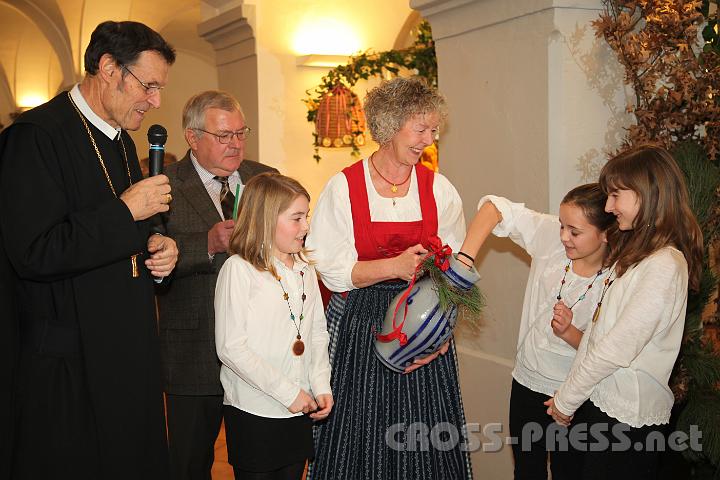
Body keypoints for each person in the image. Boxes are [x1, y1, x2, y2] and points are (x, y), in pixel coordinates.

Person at [0, 20, 178, 479]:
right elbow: (34, 252)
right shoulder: (36, 135)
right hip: (69, 366)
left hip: (126, 353)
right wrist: (125, 213)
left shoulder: (120, 139)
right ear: (108, 68)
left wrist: (156, 250)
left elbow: (123, 233)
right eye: (149, 86)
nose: (155, 101)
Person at [306, 77, 471, 479]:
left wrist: (441, 331)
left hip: (423, 325)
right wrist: (393, 267)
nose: (429, 140)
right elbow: (331, 268)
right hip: (362, 327)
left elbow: (454, 268)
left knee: (425, 438)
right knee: (362, 436)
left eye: (433, 130)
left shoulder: (440, 188)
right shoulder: (343, 187)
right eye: (421, 129)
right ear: (389, 125)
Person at [545, 145, 703, 479]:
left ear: (648, 194)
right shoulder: (642, 255)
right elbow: (601, 334)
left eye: (616, 195)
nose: (608, 206)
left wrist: (566, 399)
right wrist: (572, 393)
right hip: (604, 405)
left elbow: (617, 346)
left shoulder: (664, 265)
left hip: (628, 421)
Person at [155, 90, 277, 480]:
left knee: (261, 462)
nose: (236, 144)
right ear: (192, 137)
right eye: (224, 136)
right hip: (193, 350)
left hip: (260, 351)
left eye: (241, 133)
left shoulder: (265, 178)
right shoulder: (164, 186)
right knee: (189, 464)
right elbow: (151, 264)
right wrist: (206, 244)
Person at [456, 184, 616, 479]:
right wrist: (464, 260)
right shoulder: (552, 242)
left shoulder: (618, 277)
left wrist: (569, 332)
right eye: (561, 226)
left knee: (572, 471)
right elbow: (494, 206)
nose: (563, 237)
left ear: (605, 234)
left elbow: (607, 352)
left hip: (577, 397)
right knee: (527, 471)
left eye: (575, 232)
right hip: (527, 386)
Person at [215, 173, 333, 480]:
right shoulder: (239, 270)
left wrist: (320, 385)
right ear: (267, 220)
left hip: (299, 406)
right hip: (255, 410)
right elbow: (231, 348)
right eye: (296, 218)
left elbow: (318, 333)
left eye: (305, 217)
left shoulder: (306, 270)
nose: (306, 227)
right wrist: (288, 392)